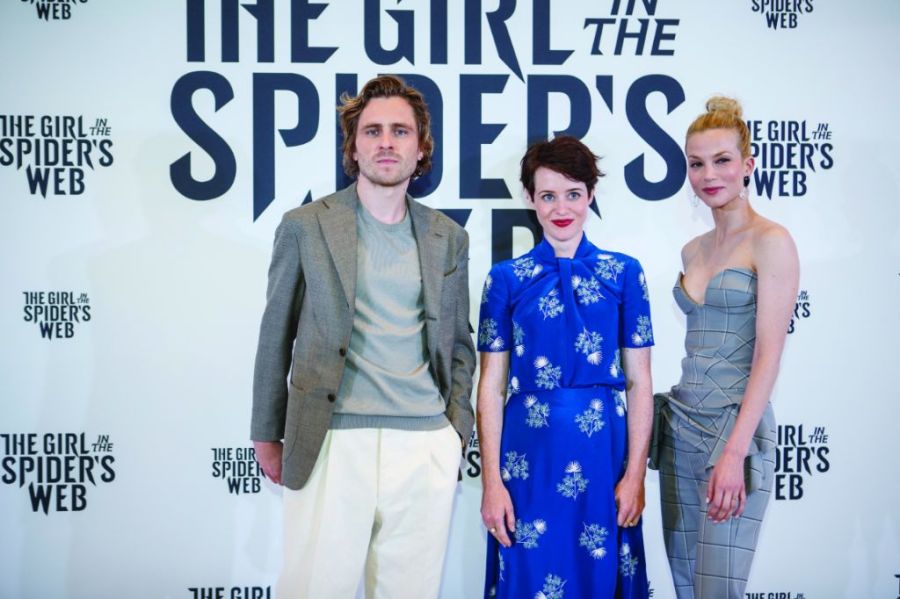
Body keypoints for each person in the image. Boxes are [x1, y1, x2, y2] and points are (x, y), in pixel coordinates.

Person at [250, 75, 476, 599]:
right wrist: (266, 431)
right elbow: (275, 334)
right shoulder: (305, 226)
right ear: (353, 147)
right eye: (372, 131)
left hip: (424, 445)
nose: (386, 143)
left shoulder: (448, 237)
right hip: (330, 439)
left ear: (421, 148)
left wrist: (454, 433)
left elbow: (459, 345)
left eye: (401, 131)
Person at [477, 136, 653, 598]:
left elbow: (639, 383)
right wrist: (492, 483)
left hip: (604, 458)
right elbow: (491, 387)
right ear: (530, 198)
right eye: (548, 195)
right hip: (527, 462)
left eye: (573, 194)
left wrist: (635, 474)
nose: (561, 208)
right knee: (529, 574)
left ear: (591, 195)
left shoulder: (624, 273)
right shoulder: (504, 279)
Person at [652, 96, 799, 599]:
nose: (708, 175)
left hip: (733, 432)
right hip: (679, 429)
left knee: (718, 590)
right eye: (696, 163)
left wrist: (735, 453)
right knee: (686, 586)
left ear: (748, 164)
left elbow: (768, 355)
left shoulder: (771, 240)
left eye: (722, 160)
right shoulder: (691, 250)